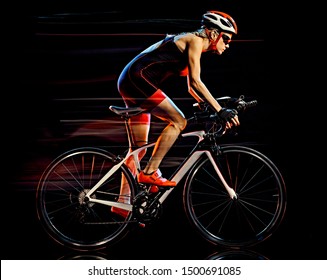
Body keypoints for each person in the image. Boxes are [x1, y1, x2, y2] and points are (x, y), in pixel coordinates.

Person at [111, 10, 240, 218]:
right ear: (213, 33)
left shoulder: (193, 43)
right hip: (137, 79)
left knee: (137, 150)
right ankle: (150, 173)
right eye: (226, 38)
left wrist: (213, 105)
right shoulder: (196, 41)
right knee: (178, 121)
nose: (228, 44)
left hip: (130, 80)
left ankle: (122, 203)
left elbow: (191, 88)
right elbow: (197, 82)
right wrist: (219, 110)